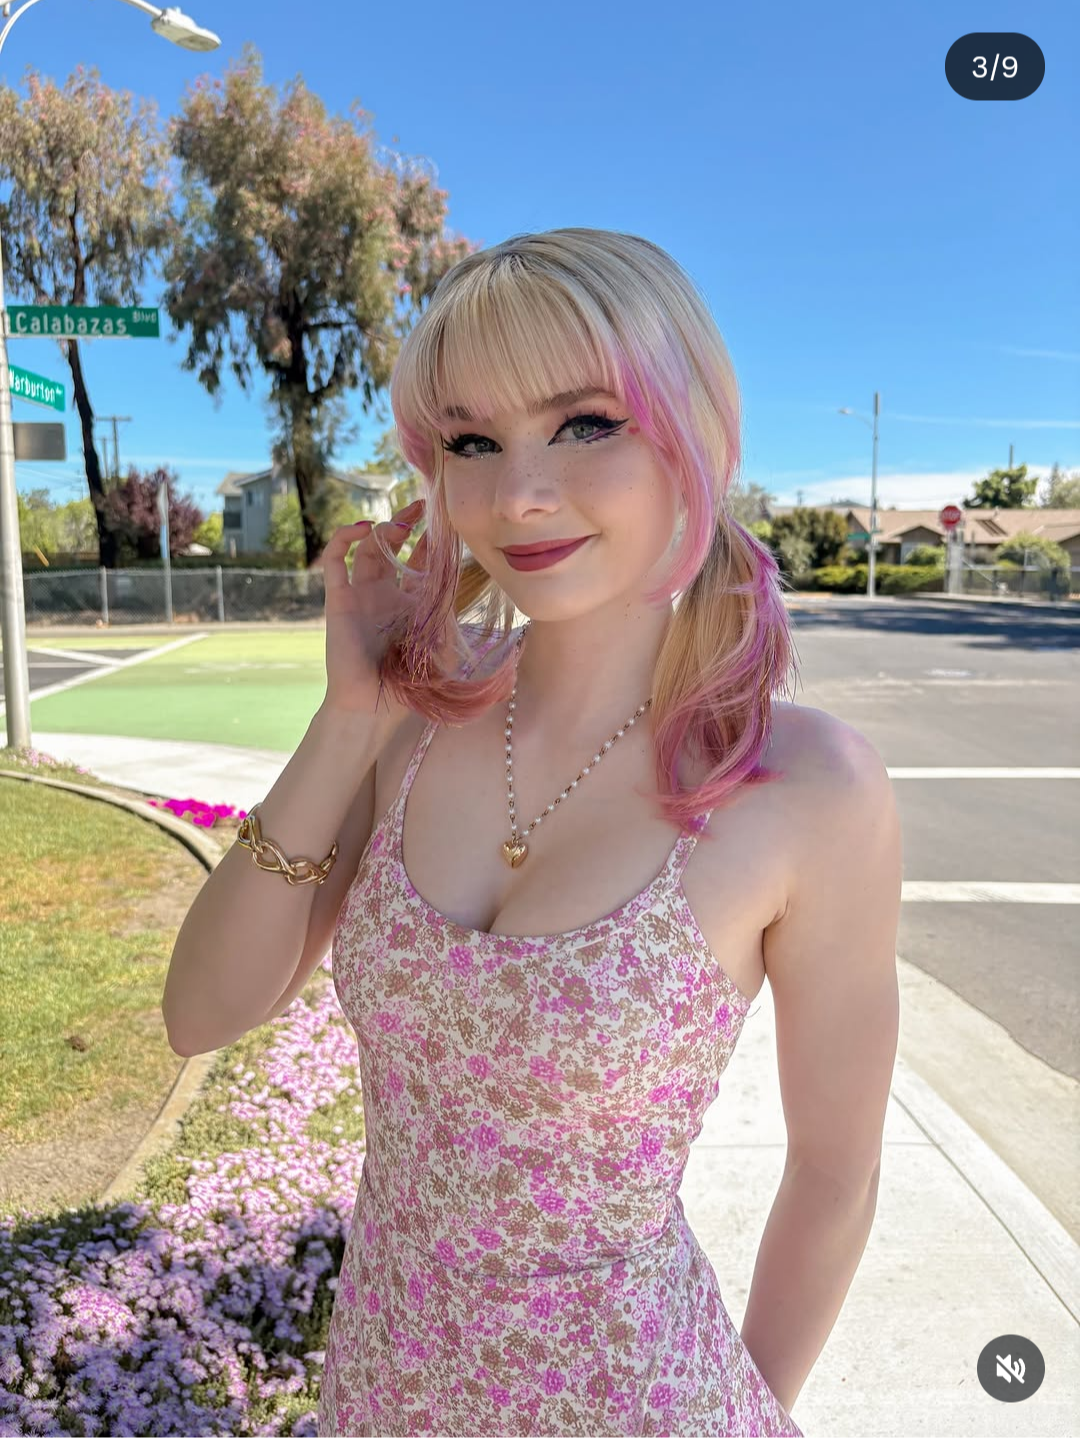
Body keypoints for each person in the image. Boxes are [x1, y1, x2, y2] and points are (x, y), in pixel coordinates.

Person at [167, 226, 901, 1438]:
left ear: (694, 434)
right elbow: (200, 1013)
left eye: (585, 423)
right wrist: (349, 717)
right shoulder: (413, 723)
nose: (517, 494)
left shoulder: (806, 787)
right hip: (381, 1399)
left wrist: (745, 1412)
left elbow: (837, 1170)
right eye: (471, 442)